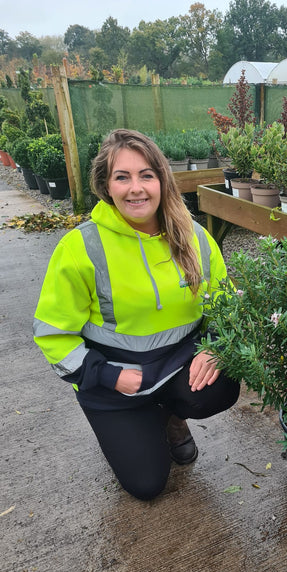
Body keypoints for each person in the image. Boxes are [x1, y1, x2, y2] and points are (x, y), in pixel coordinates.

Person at [33, 129, 240, 500]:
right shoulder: (81, 247)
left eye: (146, 175)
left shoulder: (195, 237)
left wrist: (215, 347)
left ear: (162, 180)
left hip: (176, 368)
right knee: (147, 486)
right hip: (115, 383)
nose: (136, 188)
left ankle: (173, 419)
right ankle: (135, 425)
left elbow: (225, 309)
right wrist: (107, 375)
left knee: (220, 388)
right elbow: (52, 334)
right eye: (122, 177)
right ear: (105, 186)